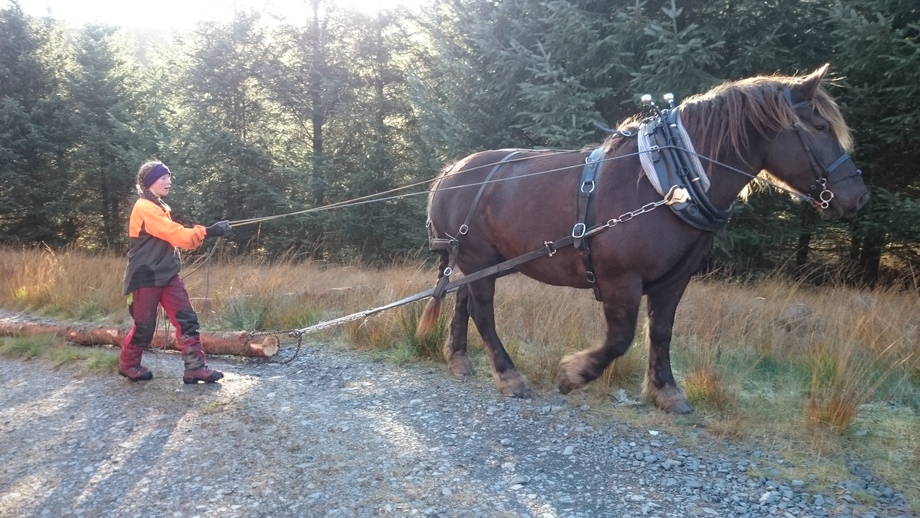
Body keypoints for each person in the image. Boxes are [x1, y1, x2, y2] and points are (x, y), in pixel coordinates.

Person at [119, 160, 231, 384]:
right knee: (144, 327)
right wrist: (208, 231)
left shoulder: (160, 206)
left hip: (168, 275)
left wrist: (206, 232)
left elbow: (177, 237)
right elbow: (176, 234)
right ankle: (129, 365)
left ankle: (195, 368)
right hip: (145, 277)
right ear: (151, 182)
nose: (169, 181)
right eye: (163, 178)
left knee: (187, 319)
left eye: (169, 177)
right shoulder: (145, 208)